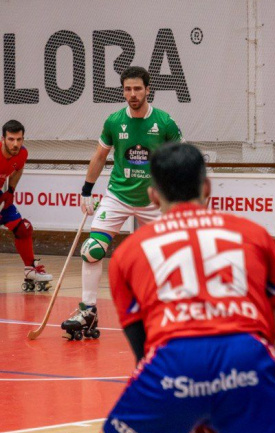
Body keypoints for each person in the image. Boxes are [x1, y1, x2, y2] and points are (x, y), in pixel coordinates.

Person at [78, 143, 275, 433]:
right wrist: (243, 384)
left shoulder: (130, 252)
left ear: (153, 195)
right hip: (249, 359)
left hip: (174, 363)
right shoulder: (254, 235)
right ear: (207, 188)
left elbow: (145, 353)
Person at [61, 66, 183, 340]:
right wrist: (86, 191)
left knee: (171, 255)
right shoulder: (114, 121)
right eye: (127, 89)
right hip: (118, 195)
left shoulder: (164, 122)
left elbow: (182, 158)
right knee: (91, 249)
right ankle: (88, 311)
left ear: (148, 90)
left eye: (137, 88)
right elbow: (99, 156)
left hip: (154, 200)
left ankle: (173, 313)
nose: (132, 94)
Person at [0, 119, 53, 291]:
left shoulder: (22, 153)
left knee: (23, 229)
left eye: (19, 139)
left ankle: (30, 269)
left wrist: (11, 191)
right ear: (3, 139)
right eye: (11, 139)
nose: (15, 144)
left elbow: (18, 169)